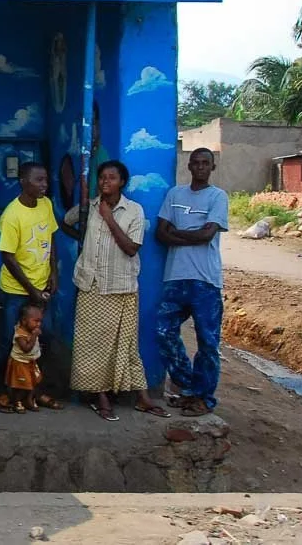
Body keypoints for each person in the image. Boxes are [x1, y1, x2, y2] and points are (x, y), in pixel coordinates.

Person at [62, 160, 170, 421]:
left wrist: (109, 219)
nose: (105, 182)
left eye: (111, 178)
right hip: (92, 285)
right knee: (92, 346)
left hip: (121, 287)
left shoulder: (133, 210)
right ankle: (100, 397)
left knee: (126, 345)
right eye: (102, 178)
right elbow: (66, 222)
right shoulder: (89, 208)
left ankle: (142, 398)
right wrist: (83, 239)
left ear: (122, 182)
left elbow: (131, 248)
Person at [155, 148, 229, 417]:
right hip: (176, 276)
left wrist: (177, 233)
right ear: (188, 165)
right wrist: (190, 234)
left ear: (212, 167)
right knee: (163, 332)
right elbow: (160, 233)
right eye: (195, 163)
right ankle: (187, 387)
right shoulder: (175, 194)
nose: (200, 167)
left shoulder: (218, 196)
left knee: (208, 343)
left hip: (206, 281)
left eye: (205, 163)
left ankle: (203, 398)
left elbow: (207, 236)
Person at [0, 162, 63, 413]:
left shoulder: (46, 205)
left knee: (44, 337)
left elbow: (51, 238)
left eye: (45, 180)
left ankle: (36, 390)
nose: (44, 185)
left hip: (41, 287)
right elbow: (7, 257)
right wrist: (31, 291)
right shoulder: (12, 214)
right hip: (16, 290)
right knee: (8, 341)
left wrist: (54, 272)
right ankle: (3, 393)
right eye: (39, 180)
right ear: (23, 182)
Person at [4, 302, 46, 413]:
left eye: (40, 321)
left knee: (34, 382)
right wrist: (34, 336)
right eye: (36, 321)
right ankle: (17, 402)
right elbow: (26, 349)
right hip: (20, 363)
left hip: (30, 362)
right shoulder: (20, 334)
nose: (39, 324)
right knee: (21, 385)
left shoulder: (31, 330)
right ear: (24, 321)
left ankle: (29, 400)